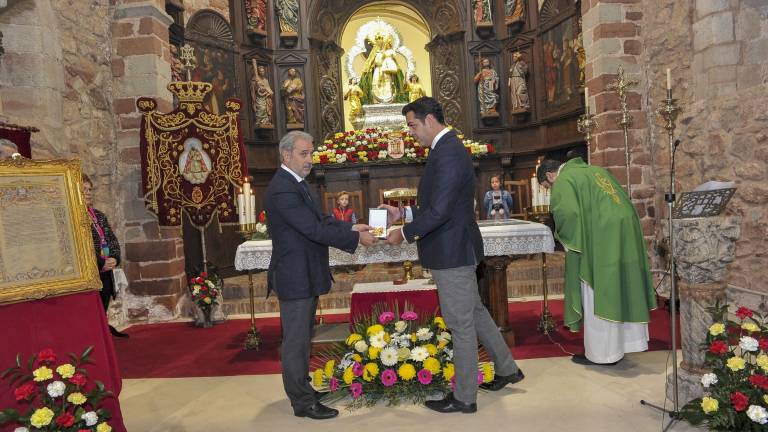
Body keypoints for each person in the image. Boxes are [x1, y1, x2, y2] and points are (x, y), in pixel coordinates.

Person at [380, 97, 523, 414]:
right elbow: (439, 203)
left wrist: (403, 232)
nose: (411, 133)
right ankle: (507, 368)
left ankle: (465, 396)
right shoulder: (446, 149)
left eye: (413, 125)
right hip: (456, 247)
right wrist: (401, 213)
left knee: (460, 324)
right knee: (474, 312)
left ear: (430, 120)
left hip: (453, 251)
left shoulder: (447, 152)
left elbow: (441, 211)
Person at [264, 131, 377, 420]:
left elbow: (322, 220)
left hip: (304, 271)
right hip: (294, 273)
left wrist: (352, 228)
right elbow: (312, 230)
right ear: (286, 155)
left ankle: (304, 390)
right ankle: (302, 402)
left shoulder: (297, 183)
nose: (310, 160)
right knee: (296, 341)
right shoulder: (282, 188)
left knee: (303, 337)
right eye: (304, 154)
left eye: (311, 153)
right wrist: (354, 241)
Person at [537, 158, 657, 365]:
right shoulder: (596, 171)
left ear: (549, 175)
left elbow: (568, 213)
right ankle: (625, 344)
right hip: (625, 229)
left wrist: (567, 241)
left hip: (601, 238)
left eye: (548, 187)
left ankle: (603, 354)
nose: (551, 190)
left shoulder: (564, 179)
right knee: (621, 285)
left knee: (598, 289)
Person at [82, 174, 128, 338]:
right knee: (91, 311)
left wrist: (114, 257)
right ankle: (97, 335)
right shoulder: (75, 217)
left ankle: (103, 331)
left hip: (107, 271)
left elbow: (111, 239)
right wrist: (100, 262)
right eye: (84, 190)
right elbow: (81, 247)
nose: (88, 193)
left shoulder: (98, 215)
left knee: (103, 306)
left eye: (90, 189)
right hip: (92, 271)